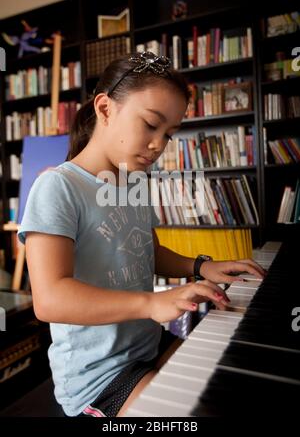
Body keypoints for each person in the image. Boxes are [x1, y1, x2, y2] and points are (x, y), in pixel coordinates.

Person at [18, 51, 266, 418]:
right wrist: (151, 304)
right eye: (150, 124)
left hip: (146, 345)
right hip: (98, 375)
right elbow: (50, 299)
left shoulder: (133, 180)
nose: (159, 145)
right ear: (104, 109)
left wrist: (202, 267)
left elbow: (145, 249)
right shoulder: (58, 186)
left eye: (169, 134)